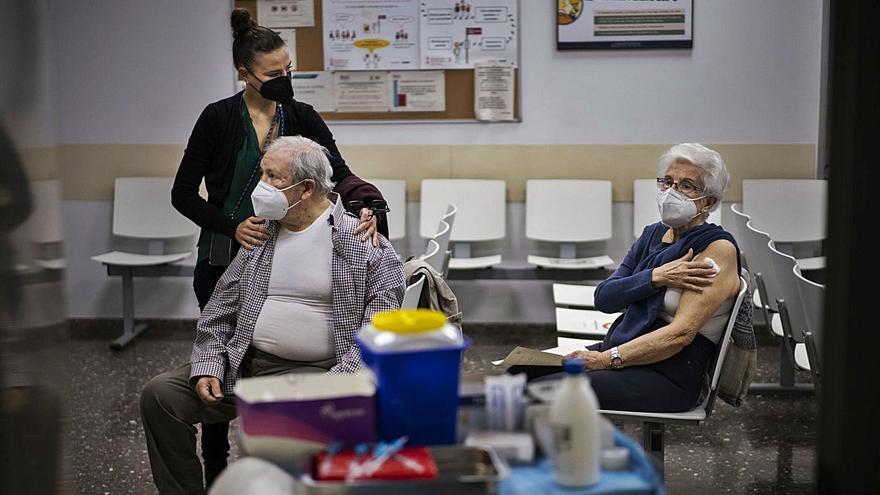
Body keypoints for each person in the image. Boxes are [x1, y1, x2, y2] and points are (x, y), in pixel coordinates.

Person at [170, 8, 387, 485]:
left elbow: (340, 173)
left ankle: (262, 464)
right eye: (273, 74)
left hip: (280, 247)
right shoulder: (218, 119)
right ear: (245, 74)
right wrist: (232, 227)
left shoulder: (301, 116)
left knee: (255, 360)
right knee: (224, 361)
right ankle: (218, 471)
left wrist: (369, 205)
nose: (285, 79)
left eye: (288, 70)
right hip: (226, 256)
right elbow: (183, 193)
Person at [142, 136, 405, 495]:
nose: (261, 187)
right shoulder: (261, 235)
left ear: (307, 188)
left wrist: (336, 385)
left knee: (282, 449)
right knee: (161, 396)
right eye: (262, 175)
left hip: (320, 373)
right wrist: (208, 363)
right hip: (246, 364)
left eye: (273, 177)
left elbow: (379, 330)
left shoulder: (361, 241)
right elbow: (220, 309)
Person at [562, 143, 742, 413]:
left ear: (709, 202)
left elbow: (679, 335)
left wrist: (604, 359)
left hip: (669, 373)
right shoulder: (653, 235)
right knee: (521, 373)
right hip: (625, 350)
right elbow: (605, 298)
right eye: (667, 182)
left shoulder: (717, 250)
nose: (671, 193)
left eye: (686, 186)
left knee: (539, 392)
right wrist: (656, 276)